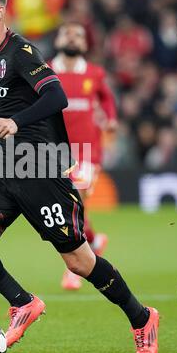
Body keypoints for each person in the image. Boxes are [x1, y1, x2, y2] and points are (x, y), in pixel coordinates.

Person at [0, 0, 159, 353]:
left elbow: (55, 95)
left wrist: (18, 123)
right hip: (6, 165)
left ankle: (142, 319)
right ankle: (22, 303)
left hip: (41, 169)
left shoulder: (21, 51)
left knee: (79, 262)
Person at [50, 22, 117, 290]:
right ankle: (93, 240)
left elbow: (107, 99)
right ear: (57, 40)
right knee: (69, 210)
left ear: (86, 45)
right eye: (67, 32)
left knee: (73, 204)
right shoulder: (44, 72)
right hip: (54, 151)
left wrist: (111, 119)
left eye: (78, 35)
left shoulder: (95, 73)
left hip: (87, 150)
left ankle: (74, 269)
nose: (73, 38)